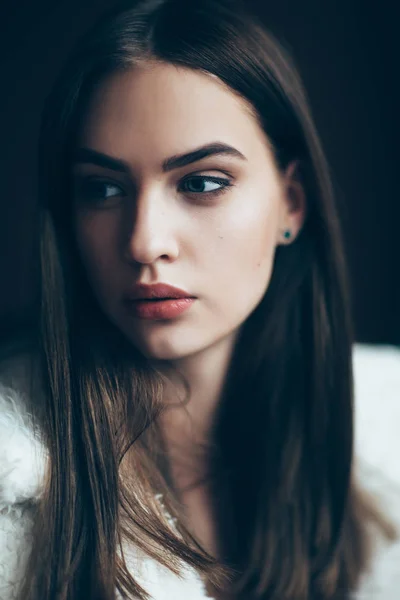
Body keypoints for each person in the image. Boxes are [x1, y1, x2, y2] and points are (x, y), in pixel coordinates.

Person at [0, 0, 399, 598]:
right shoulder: (16, 483)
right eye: (103, 188)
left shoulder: (383, 430)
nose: (144, 241)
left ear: (292, 203)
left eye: (202, 182)